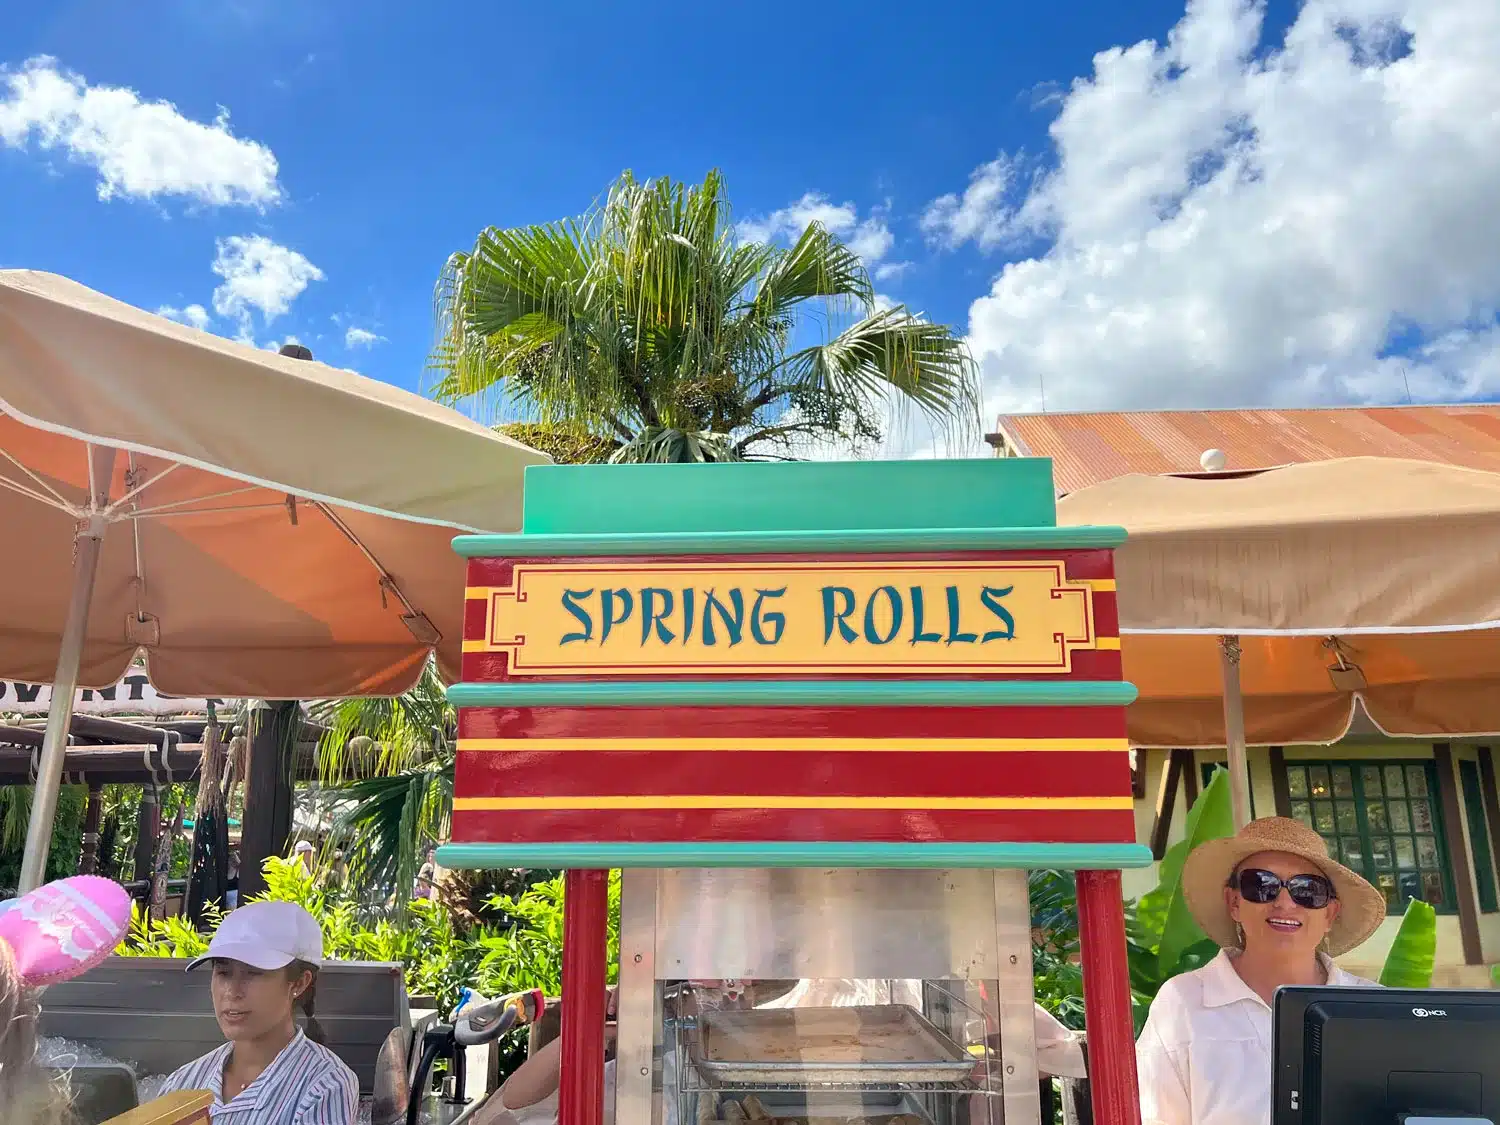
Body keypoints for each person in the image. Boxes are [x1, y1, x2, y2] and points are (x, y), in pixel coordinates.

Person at [1136, 816, 1386, 1125]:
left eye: (1306, 890)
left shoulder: (1374, 1008)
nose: (1284, 902)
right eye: (1261, 885)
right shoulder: (1183, 1003)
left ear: (1330, 913)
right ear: (1234, 902)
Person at [156, 901, 358, 1124]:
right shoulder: (184, 1083)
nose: (233, 992)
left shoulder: (324, 1086)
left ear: (299, 983)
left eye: (253, 973)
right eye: (223, 973)